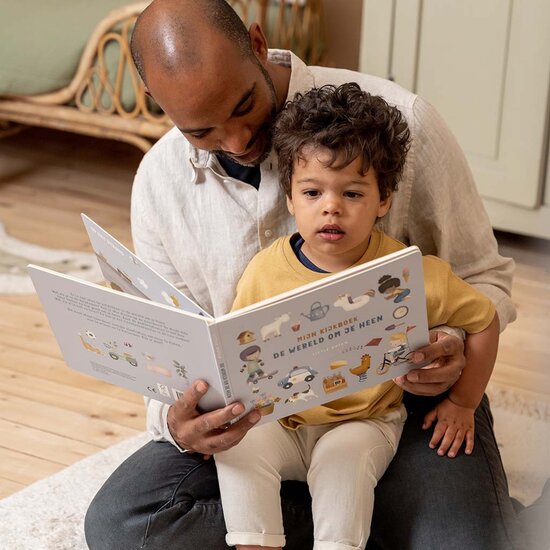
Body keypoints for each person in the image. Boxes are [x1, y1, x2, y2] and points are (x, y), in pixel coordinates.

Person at [84, 0, 524, 548]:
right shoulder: (158, 182)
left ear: (258, 44)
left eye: (245, 103)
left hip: (396, 405)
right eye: (202, 131)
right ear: (159, 104)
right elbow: (169, 345)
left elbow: (484, 278)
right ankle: (352, 518)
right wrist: (178, 421)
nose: (240, 139)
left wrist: (453, 346)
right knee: (121, 524)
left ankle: (366, 512)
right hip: (260, 421)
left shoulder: (402, 122)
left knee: (461, 541)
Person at [213, 82, 500, 550]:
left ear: (383, 200)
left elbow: (484, 320)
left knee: (343, 466)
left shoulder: (408, 272)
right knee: (238, 448)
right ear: (289, 198)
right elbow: (235, 347)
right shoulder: (264, 269)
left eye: (351, 193)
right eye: (311, 191)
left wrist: (464, 402)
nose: (331, 206)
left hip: (362, 423)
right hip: (281, 421)